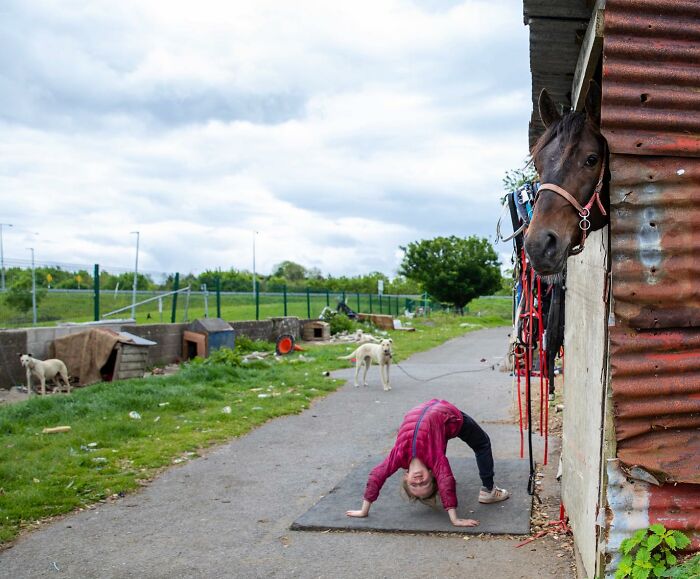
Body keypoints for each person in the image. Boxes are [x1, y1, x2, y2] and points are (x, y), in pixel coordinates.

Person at [346, 399, 509, 527]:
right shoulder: (435, 458)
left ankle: (487, 489)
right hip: (449, 416)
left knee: (441, 443)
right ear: (432, 475)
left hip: (425, 409)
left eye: (414, 485)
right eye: (423, 483)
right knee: (482, 443)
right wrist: (455, 519)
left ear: (406, 477)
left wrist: (364, 510)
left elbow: (377, 476)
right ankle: (488, 491)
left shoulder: (398, 456)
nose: (417, 481)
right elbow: (446, 480)